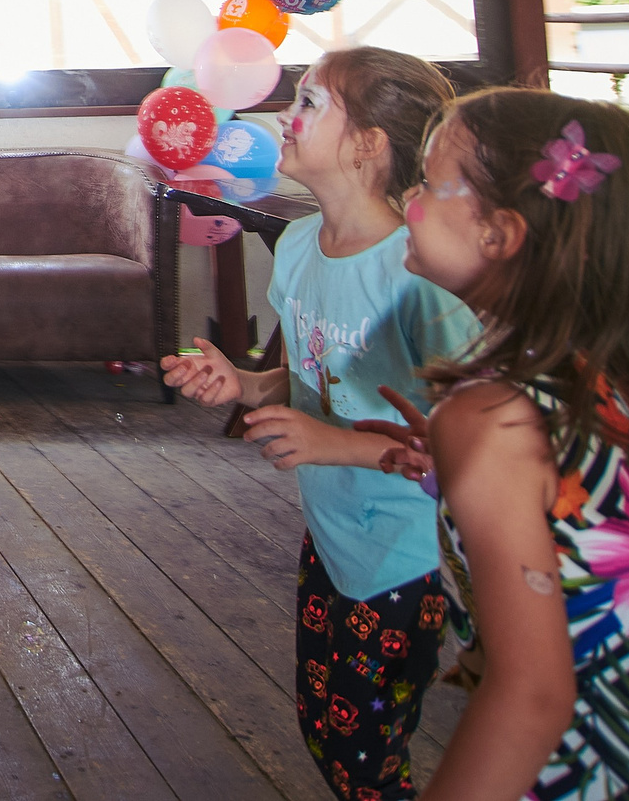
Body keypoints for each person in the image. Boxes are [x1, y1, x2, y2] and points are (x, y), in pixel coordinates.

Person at [373, 92, 629, 800]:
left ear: (500, 232)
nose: (409, 196)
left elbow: (533, 697)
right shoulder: (621, 383)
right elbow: (591, 537)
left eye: (428, 181)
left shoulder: (490, 419)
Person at [162, 47, 474, 801]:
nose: (284, 116)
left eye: (311, 103)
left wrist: (338, 444)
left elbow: (474, 437)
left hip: (412, 556)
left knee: (360, 750)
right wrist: (245, 381)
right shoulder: (298, 247)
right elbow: (309, 380)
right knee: (325, 724)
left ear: (368, 145)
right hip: (333, 540)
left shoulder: (421, 269)